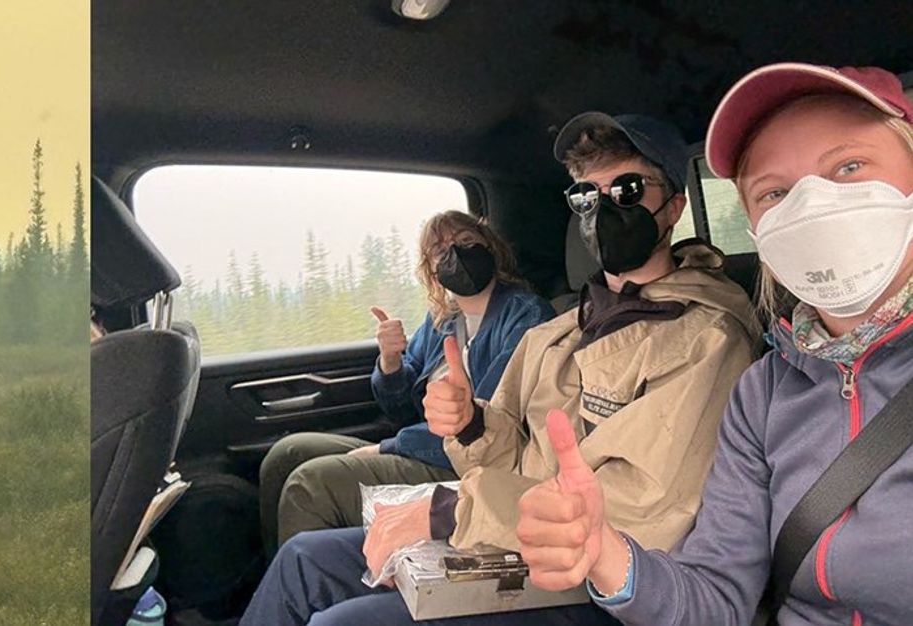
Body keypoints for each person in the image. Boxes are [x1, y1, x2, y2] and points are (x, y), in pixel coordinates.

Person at [239, 111, 760, 626]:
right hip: (514, 537)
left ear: (672, 207)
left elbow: (641, 513)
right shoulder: (557, 334)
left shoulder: (707, 339)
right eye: (585, 196)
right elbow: (511, 456)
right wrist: (470, 422)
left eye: (626, 190)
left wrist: (447, 510)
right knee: (303, 560)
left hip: (596, 577)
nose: (603, 211)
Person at [517, 63, 913, 626]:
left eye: (848, 166)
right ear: (755, 224)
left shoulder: (711, 336)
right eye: (775, 191)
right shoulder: (764, 394)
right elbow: (717, 597)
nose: (810, 204)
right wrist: (609, 555)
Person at [258, 211, 552, 553]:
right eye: (440, 249)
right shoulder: (443, 319)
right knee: (286, 454)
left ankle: (315, 593)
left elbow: (486, 424)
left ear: (490, 246)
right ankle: (275, 578)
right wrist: (391, 360)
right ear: (431, 268)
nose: (454, 253)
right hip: (422, 448)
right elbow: (399, 408)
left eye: (466, 241)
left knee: (310, 484)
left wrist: (390, 446)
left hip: (468, 465)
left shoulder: (526, 315)